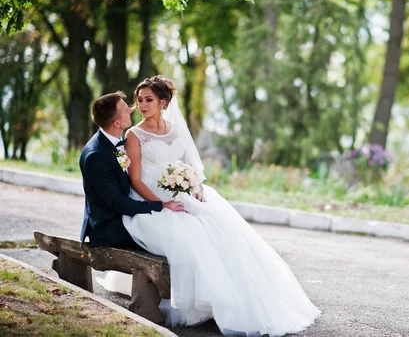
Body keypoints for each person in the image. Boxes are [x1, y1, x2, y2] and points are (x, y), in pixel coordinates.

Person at [110, 76, 319, 336]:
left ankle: (239, 299)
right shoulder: (134, 135)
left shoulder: (176, 129)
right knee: (189, 234)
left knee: (221, 226)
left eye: (149, 100)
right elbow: (136, 180)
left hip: (181, 193)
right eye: (139, 100)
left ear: (163, 102)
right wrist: (162, 204)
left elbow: (191, 167)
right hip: (150, 202)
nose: (142, 105)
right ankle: (205, 302)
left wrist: (195, 187)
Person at [79, 91, 186, 248]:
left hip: (124, 214)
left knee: (181, 225)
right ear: (116, 123)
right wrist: (161, 206)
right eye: (125, 110)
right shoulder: (96, 156)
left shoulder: (116, 139)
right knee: (171, 236)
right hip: (109, 227)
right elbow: (119, 203)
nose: (131, 109)